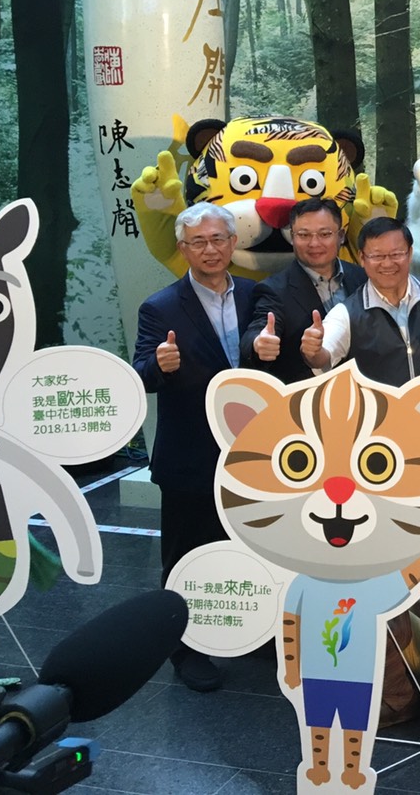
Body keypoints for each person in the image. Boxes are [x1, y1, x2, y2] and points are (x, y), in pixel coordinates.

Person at [132, 203, 254, 693]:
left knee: (247, 547)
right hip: (190, 455)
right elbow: (140, 376)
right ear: (183, 249)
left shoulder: (255, 296)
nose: (210, 249)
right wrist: (159, 365)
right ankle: (185, 649)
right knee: (186, 556)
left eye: (218, 239)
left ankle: (246, 631)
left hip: (252, 454)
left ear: (233, 243)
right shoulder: (159, 307)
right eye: (198, 242)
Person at [300, 217, 420, 387]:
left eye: (396, 254)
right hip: (381, 404)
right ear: (362, 258)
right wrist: (313, 351)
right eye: (377, 256)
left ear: (410, 253)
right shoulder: (347, 313)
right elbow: (323, 358)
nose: (387, 263)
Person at [240, 198, 368, 384]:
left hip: (365, 390)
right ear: (292, 238)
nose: (314, 243)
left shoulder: (363, 277)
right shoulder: (273, 289)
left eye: (324, 234)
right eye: (304, 235)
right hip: (308, 395)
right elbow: (260, 328)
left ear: (341, 235)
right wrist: (258, 344)